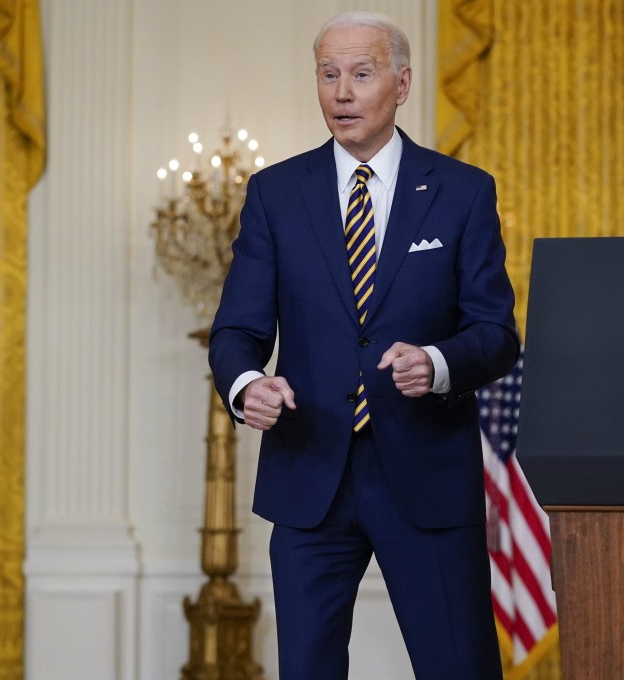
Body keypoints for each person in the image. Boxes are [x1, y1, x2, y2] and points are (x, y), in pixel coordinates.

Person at [208, 10, 518, 680]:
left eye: (361, 73)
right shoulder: (274, 194)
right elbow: (237, 330)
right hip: (308, 472)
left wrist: (437, 365)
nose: (341, 92)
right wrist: (246, 385)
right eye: (328, 74)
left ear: (402, 84)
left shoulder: (463, 194)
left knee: (459, 668)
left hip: (427, 475)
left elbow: (496, 335)